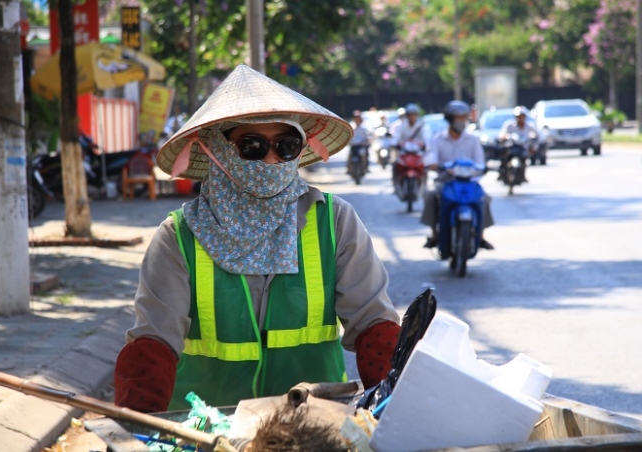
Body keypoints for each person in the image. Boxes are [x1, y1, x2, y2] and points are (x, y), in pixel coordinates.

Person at [113, 65, 401, 413]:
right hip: (207, 429)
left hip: (312, 423)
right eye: (252, 146)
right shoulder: (178, 237)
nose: (271, 159)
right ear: (218, 151)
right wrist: (138, 425)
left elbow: (376, 328)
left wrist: (393, 408)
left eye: (286, 145)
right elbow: (152, 345)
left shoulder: (334, 221)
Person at [420, 100, 495, 250]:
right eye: (458, 118)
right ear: (449, 119)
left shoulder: (472, 139)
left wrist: (481, 169)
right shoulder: (437, 139)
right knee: (430, 196)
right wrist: (433, 164)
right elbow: (431, 156)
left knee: (484, 198)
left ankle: (480, 236)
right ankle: (435, 234)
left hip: (469, 182)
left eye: (464, 118)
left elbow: (480, 161)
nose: (462, 121)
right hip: (445, 182)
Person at [498, 106, 538, 175]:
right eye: (518, 116)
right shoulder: (509, 125)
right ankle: (502, 171)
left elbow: (537, 136)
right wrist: (504, 137)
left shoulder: (529, 126)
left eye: (522, 116)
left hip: (523, 147)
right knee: (504, 154)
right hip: (512, 146)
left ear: (524, 117)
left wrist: (533, 146)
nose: (520, 118)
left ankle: (523, 174)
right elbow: (502, 133)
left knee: (524, 158)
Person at [347, 110, 372, 175]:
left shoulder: (364, 127)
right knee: (349, 155)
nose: (357, 119)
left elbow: (368, 135)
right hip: (353, 146)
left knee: (364, 155)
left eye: (358, 117)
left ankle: (365, 167)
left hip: (361, 146)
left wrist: (368, 140)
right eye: (355, 117)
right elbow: (348, 136)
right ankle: (349, 169)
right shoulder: (351, 127)